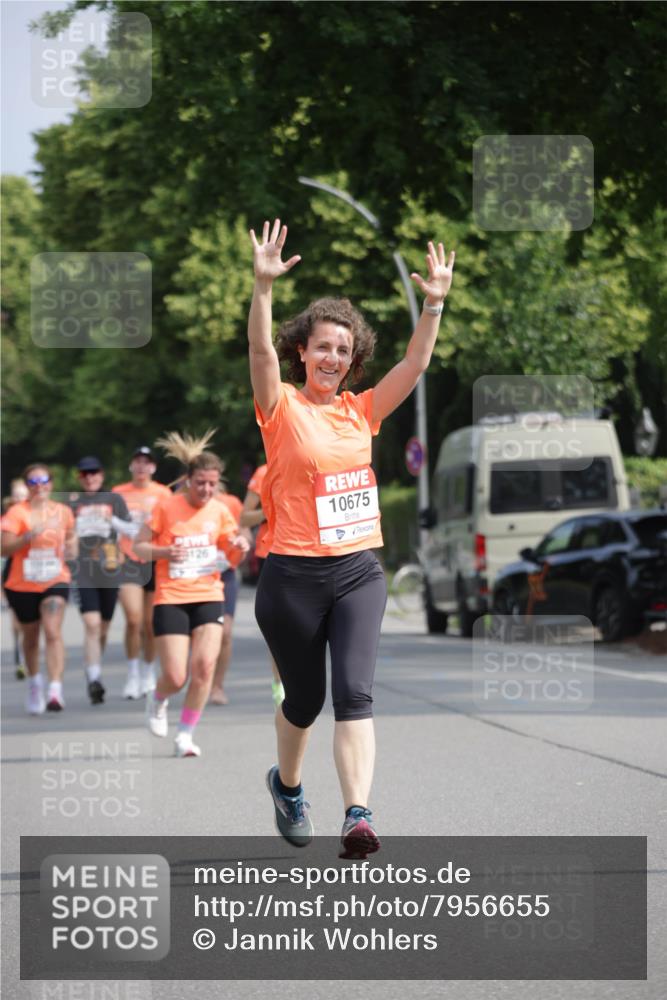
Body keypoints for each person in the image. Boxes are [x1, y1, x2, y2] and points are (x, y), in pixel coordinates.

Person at [248, 218, 454, 858]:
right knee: (304, 702)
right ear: (301, 353)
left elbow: (416, 361)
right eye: (321, 348)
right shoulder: (280, 406)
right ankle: (287, 785)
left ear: (352, 357)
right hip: (293, 578)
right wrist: (262, 288)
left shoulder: (362, 410)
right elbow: (257, 353)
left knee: (355, 694)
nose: (332, 358)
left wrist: (434, 303)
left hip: (358, 570)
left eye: (343, 350)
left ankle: (358, 815)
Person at [134, 436, 249, 757]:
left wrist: (239, 544)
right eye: (200, 483)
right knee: (175, 675)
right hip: (171, 596)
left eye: (212, 484)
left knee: (204, 667)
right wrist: (164, 551)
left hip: (209, 593)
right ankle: (158, 698)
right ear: (188, 480)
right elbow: (139, 548)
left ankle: (185, 734)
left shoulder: (220, 510)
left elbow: (231, 546)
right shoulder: (166, 508)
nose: (206, 490)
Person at [1, 464, 77, 713]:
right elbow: (4, 548)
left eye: (44, 480)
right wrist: (27, 537)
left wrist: (73, 548)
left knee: (53, 630)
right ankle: (35, 684)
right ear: (27, 486)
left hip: (55, 578)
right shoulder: (16, 513)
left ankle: (55, 689)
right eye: (33, 482)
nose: (39, 485)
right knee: (31, 637)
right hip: (22, 583)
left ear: (51, 484)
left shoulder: (63, 512)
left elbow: (70, 539)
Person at [69, 456, 134, 704]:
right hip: (83, 570)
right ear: (79, 477)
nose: (90, 477)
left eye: (94, 472)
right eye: (85, 474)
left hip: (109, 568)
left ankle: (93, 665)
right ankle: (94, 679)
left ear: (102, 474)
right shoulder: (72, 504)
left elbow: (131, 530)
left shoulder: (113, 500)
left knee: (103, 627)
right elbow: (64, 535)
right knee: (92, 624)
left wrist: (112, 521)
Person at [112, 446, 172, 699]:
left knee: (150, 624)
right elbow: (109, 527)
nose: (141, 466)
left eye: (146, 462)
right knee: (133, 619)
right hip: (128, 560)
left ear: (153, 467)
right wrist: (122, 526)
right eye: (137, 461)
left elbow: (169, 524)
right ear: (131, 466)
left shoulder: (163, 493)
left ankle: (148, 672)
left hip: (154, 560)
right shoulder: (118, 493)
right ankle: (133, 673)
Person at [240, 462, 284, 708]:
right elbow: (245, 517)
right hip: (274, 553)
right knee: (280, 627)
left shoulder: (317, 458)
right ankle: (279, 682)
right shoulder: (263, 472)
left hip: (310, 553)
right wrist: (271, 510)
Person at [2, 478, 30, 678]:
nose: (20, 498)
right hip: (13, 570)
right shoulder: (7, 519)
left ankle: (28, 654)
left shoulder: (37, 515)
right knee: (18, 621)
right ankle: (21, 657)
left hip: (34, 571)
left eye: (23, 494)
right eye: (17, 494)